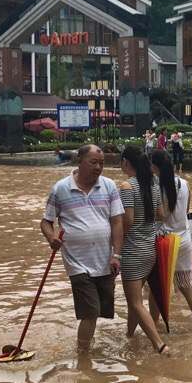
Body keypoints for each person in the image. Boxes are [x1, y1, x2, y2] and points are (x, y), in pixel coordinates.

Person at [40, 144, 124, 353]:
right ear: (79, 161)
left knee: (98, 311)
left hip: (104, 260)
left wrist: (116, 255)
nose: (98, 167)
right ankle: (83, 357)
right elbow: (46, 221)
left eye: (101, 163)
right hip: (76, 262)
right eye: (93, 162)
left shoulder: (109, 186)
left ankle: (86, 347)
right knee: (91, 311)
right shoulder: (61, 188)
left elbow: (116, 222)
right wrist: (51, 237)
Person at [118, 145, 170, 354]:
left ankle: (159, 345)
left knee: (134, 302)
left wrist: (116, 241)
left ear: (125, 162)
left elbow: (128, 220)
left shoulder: (127, 186)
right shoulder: (152, 185)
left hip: (132, 251)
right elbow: (161, 215)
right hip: (150, 250)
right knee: (136, 299)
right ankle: (130, 335)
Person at [152, 149, 192, 327]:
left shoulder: (155, 188)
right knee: (186, 285)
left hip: (163, 241)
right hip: (183, 239)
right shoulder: (185, 184)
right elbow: (186, 211)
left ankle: (154, 323)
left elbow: (159, 216)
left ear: (154, 167)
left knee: (157, 287)